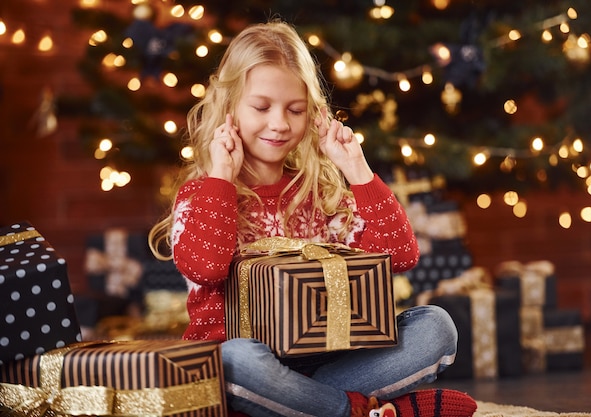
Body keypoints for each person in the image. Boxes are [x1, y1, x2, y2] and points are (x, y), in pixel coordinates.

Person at [149, 19, 477, 417]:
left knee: (435, 328)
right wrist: (222, 177)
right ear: (230, 106)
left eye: (295, 109)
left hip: (325, 361)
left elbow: (400, 255)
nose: (280, 123)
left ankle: (301, 407)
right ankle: (362, 410)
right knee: (234, 360)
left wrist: (356, 169)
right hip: (245, 365)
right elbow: (206, 267)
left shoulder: (320, 194)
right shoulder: (202, 195)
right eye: (261, 106)